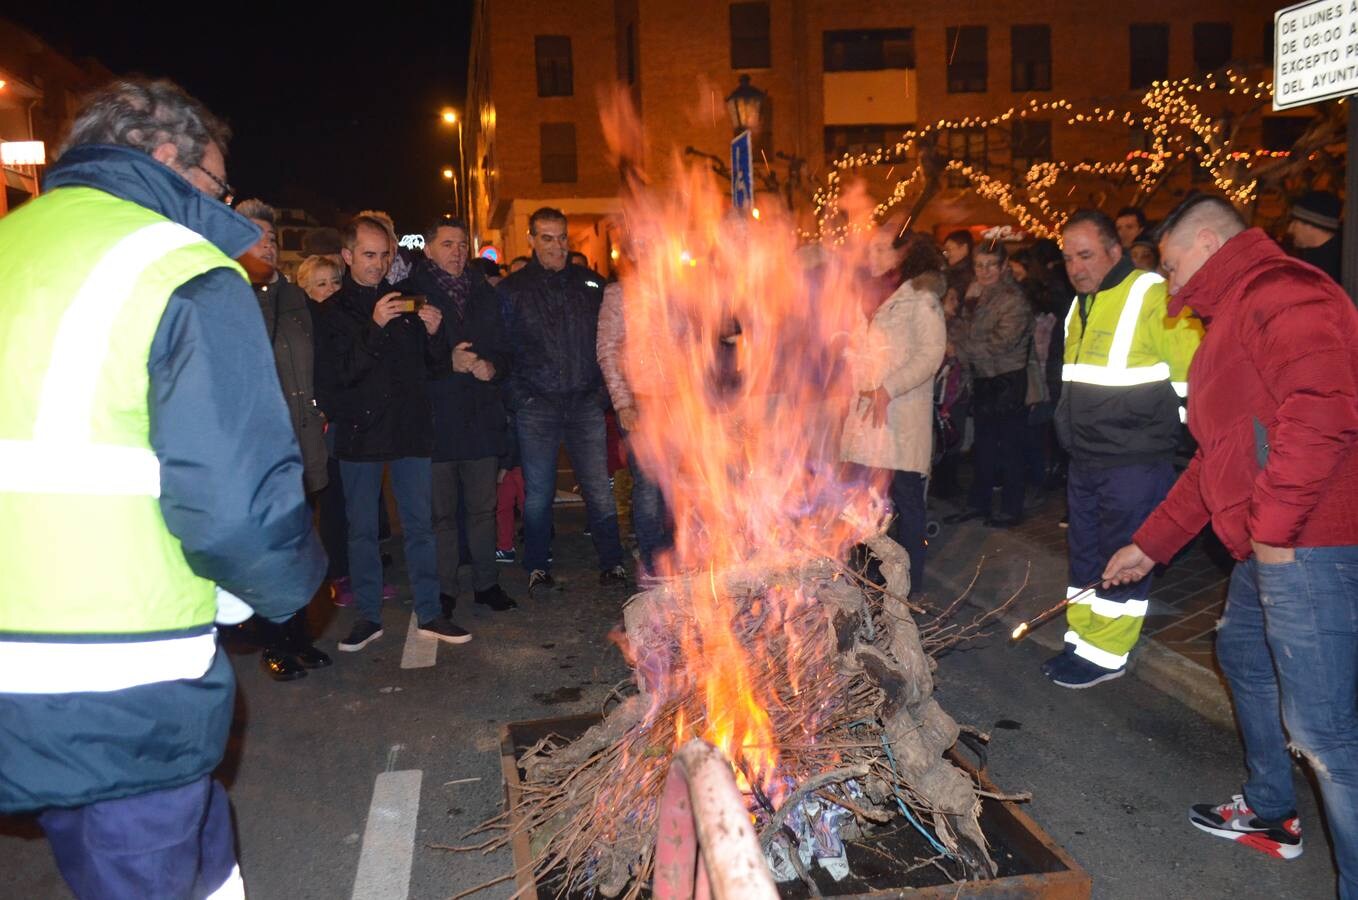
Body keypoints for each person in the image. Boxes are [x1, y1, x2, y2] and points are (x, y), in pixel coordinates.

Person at [0, 77, 325, 898]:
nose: (224, 204)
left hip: (20, 669)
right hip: (114, 670)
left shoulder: (15, 243)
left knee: (201, 858)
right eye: (218, 184)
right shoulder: (178, 266)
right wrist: (289, 589)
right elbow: (234, 504)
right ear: (169, 158)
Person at [1104, 194, 1358, 886]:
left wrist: (1274, 530)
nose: (1170, 281)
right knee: (1242, 650)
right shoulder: (1227, 323)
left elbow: (1323, 410)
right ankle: (1274, 810)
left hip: (1310, 544)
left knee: (1328, 736)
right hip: (1269, 543)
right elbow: (1215, 460)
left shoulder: (1286, 290)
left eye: (1175, 263)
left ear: (1213, 242)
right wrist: (1151, 545)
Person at [1045, 209, 1202, 688]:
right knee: (1086, 555)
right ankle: (1084, 637)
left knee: (1122, 558)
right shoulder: (1080, 306)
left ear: (1115, 250)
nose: (1076, 267)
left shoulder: (1151, 294)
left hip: (1133, 462)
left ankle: (1107, 653)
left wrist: (1184, 442)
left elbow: (1193, 378)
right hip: (1087, 460)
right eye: (1069, 257)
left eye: (1086, 255)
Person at [314, 215, 471, 650]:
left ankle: (430, 611)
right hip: (360, 433)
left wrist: (435, 336)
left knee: (420, 526)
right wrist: (375, 328)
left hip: (408, 429)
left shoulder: (403, 301)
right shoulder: (331, 311)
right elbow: (337, 376)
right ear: (347, 256)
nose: (378, 265)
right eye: (368, 255)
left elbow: (431, 369)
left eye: (384, 255)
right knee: (361, 530)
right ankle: (368, 616)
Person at [498, 207, 628, 596]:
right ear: (532, 240)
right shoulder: (512, 290)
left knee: (598, 487)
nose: (557, 246)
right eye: (548, 238)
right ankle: (537, 565)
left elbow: (609, 343)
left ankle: (613, 562)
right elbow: (503, 352)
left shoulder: (590, 284)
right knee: (538, 492)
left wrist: (599, 394)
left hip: (584, 402)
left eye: (562, 238)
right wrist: (521, 399)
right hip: (537, 406)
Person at [235, 199, 333, 681]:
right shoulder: (226, 298)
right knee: (270, 553)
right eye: (258, 236)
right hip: (257, 451)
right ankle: (274, 642)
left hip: (302, 442)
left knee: (299, 547)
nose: (269, 245)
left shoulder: (293, 299)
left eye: (272, 238)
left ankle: (299, 637)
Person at [401, 219, 516, 613]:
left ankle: (487, 584)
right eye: (447, 243)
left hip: (481, 418)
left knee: (483, 509)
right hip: (436, 422)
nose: (456, 251)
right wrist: (445, 361)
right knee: (442, 516)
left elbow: (504, 347)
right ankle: (445, 590)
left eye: (462, 244)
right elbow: (402, 363)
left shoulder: (483, 292)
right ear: (428, 249)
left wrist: (492, 366)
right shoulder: (413, 295)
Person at [841, 229, 947, 595]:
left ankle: (907, 588)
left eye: (881, 247)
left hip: (900, 419)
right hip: (866, 416)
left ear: (903, 255)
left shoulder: (921, 298)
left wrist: (889, 388)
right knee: (863, 501)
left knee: (906, 502)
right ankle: (870, 579)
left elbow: (931, 355)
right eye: (869, 247)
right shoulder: (866, 296)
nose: (871, 253)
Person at [946, 241, 1034, 528]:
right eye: (979, 265)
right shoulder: (976, 293)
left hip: (1007, 379)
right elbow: (963, 330)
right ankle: (978, 503)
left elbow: (1000, 343)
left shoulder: (1013, 298)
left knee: (1010, 447)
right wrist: (961, 311)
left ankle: (1011, 507)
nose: (984, 271)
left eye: (990, 265)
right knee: (983, 446)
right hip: (983, 378)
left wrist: (958, 349)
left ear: (1003, 265)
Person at [597, 264, 674, 581]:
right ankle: (653, 558)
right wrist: (623, 402)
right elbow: (608, 349)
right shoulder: (619, 294)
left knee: (675, 484)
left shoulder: (679, 288)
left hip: (679, 400)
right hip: (641, 398)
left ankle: (672, 554)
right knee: (647, 483)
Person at [1285, 189, 1343, 285]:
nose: (1289, 229)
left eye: (1294, 222)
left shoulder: (1338, 268)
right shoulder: (1338, 259)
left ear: (1310, 225)